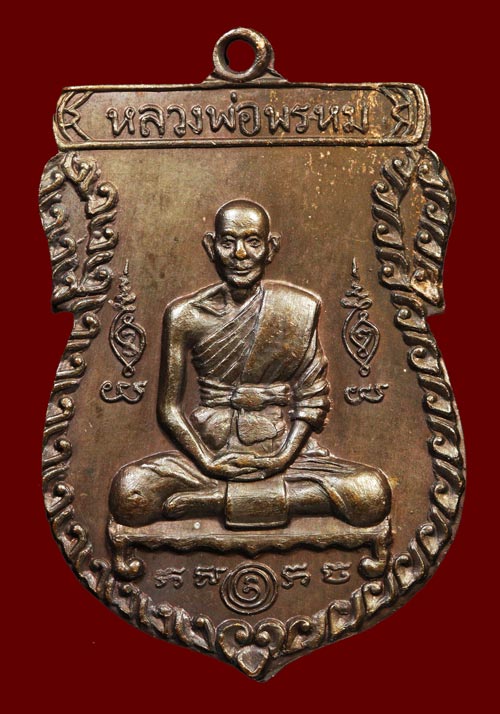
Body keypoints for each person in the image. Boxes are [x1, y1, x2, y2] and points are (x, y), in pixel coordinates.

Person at [109, 200, 391, 530]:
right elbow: (169, 409)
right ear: (211, 247)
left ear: (270, 248)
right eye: (228, 242)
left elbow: (312, 398)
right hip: (208, 450)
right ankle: (261, 497)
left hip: (283, 449)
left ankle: (213, 501)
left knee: (370, 492)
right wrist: (207, 461)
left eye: (252, 242)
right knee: (130, 493)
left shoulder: (297, 308)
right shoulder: (185, 315)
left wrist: (281, 459)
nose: (240, 254)